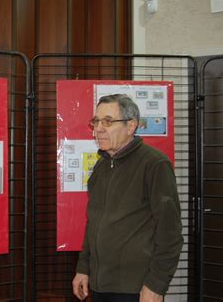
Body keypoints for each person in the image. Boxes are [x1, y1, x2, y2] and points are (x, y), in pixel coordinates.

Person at [72, 94, 183, 302]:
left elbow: (170, 233)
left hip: (137, 289)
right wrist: (83, 268)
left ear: (131, 126)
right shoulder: (101, 166)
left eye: (107, 121)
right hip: (99, 285)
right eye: (96, 121)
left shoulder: (155, 164)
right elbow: (93, 222)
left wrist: (156, 285)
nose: (99, 128)